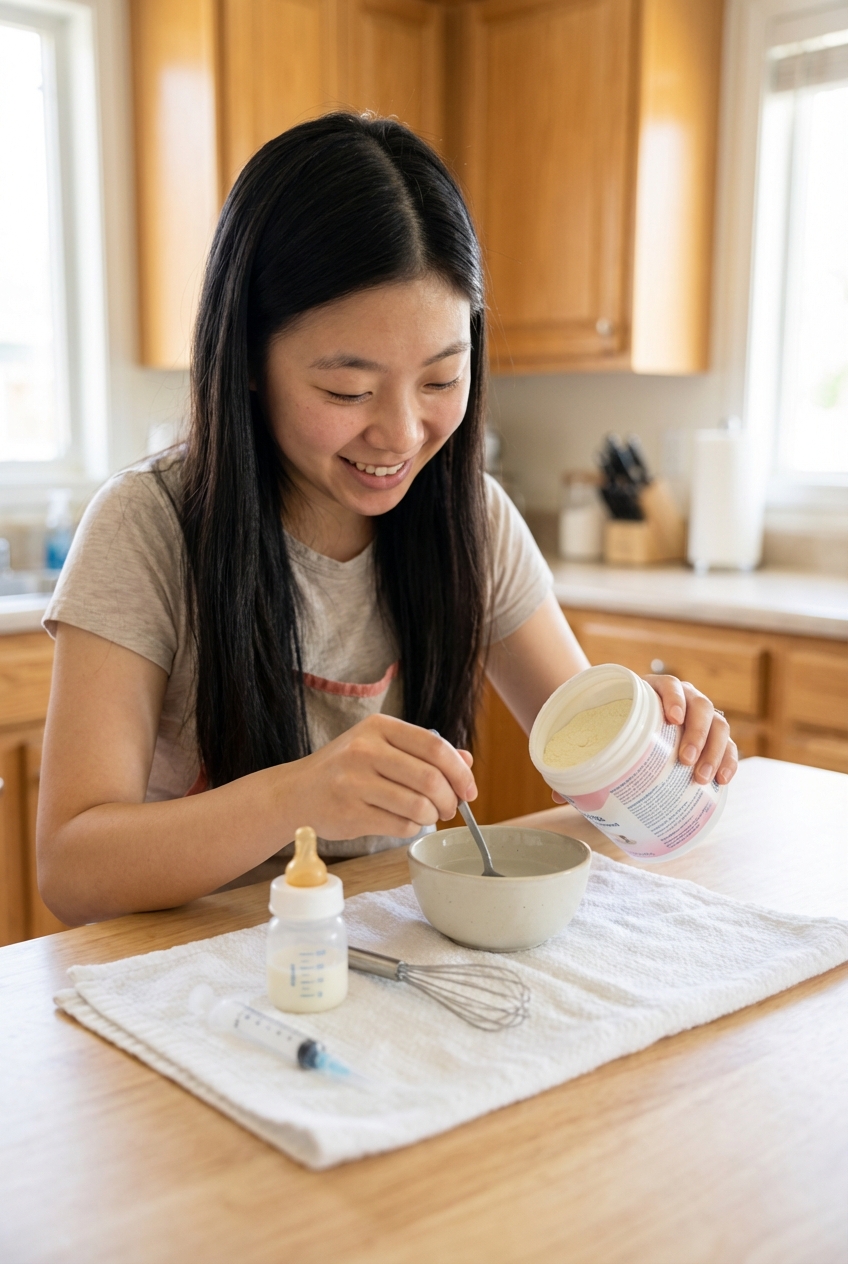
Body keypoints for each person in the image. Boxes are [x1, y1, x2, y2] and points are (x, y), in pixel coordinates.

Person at [37, 114, 737, 925]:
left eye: (441, 380)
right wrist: (294, 796)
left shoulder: (469, 516)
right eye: (348, 392)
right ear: (249, 363)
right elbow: (72, 868)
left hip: (384, 955)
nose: (402, 436)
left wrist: (651, 746)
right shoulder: (147, 527)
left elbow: (583, 753)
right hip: (190, 975)